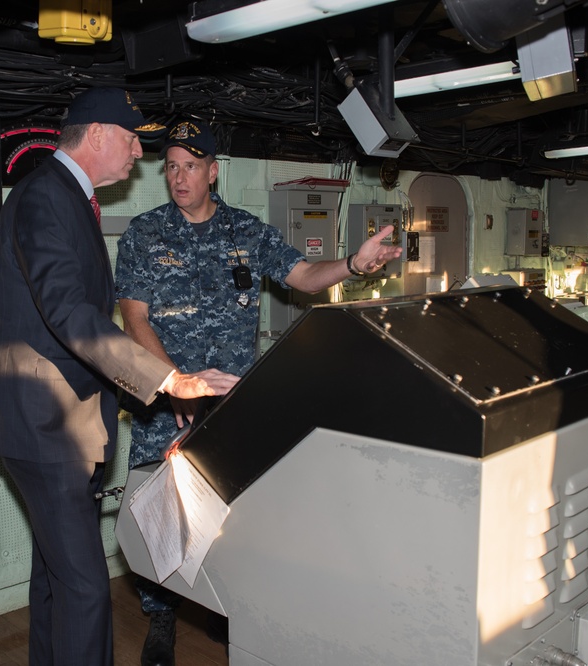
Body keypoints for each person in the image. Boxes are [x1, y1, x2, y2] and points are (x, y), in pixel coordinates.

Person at [114, 119, 403, 666]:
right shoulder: (144, 235)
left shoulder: (247, 232)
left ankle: (229, 606)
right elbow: (135, 319)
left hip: (232, 408)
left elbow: (303, 276)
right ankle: (161, 619)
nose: (180, 177)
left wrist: (353, 263)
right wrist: (175, 383)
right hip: (168, 405)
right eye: (171, 166)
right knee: (162, 515)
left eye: (191, 166)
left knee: (233, 515)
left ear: (213, 172)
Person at [0, 92, 239, 666]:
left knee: (55, 576)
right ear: (97, 134)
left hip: (57, 423)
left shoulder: (64, 196)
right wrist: (170, 380)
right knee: (87, 589)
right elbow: (71, 315)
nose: (140, 153)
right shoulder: (47, 196)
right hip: (47, 425)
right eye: (131, 138)